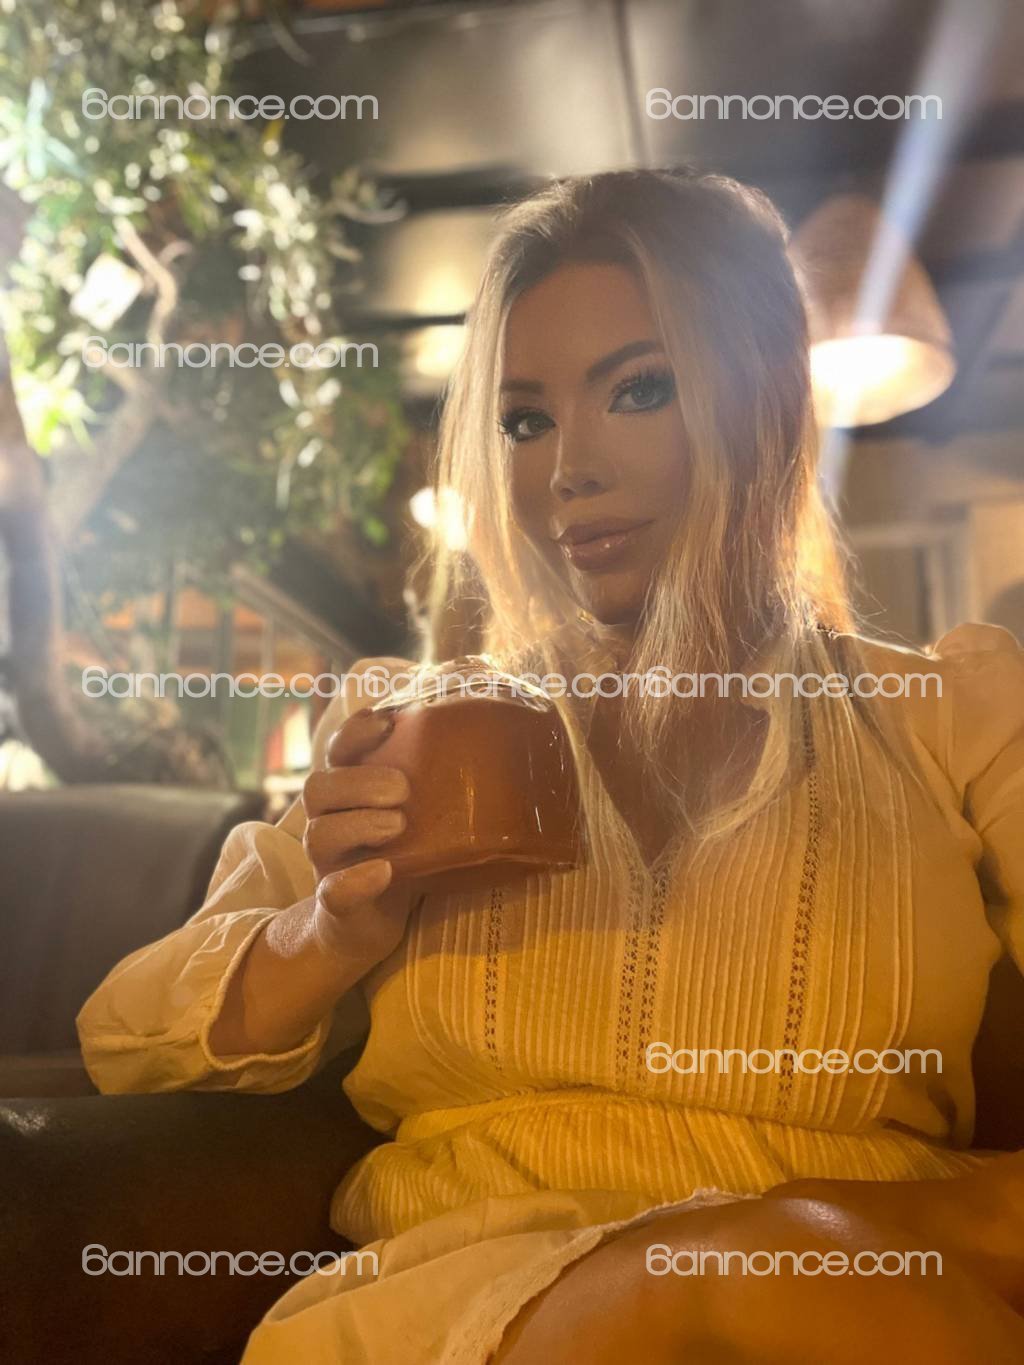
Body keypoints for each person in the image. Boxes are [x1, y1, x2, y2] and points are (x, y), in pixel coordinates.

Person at [77, 168, 1024, 1362]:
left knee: (781, 1269)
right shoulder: (412, 726)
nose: (567, 467)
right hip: (470, 1307)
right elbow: (124, 1036)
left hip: (863, 1287)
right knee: (753, 1273)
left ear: (769, 401)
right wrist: (333, 929)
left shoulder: (947, 713)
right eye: (523, 421)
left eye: (638, 389)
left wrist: (893, 1216)